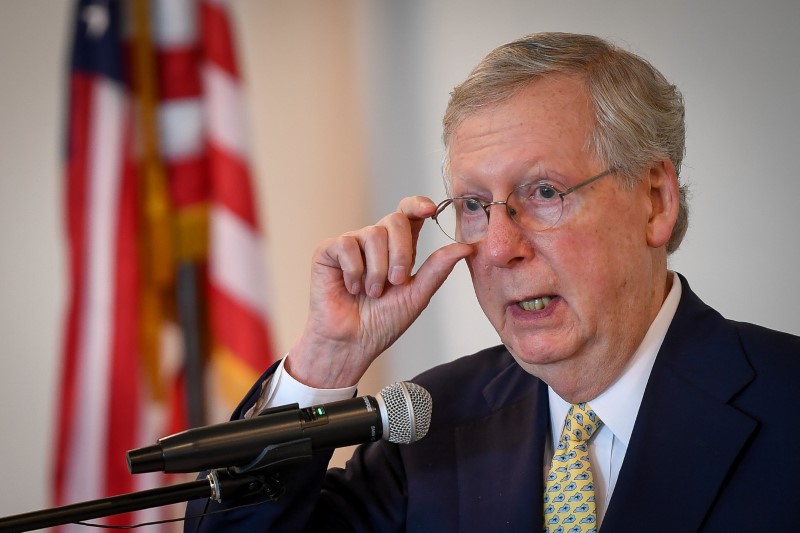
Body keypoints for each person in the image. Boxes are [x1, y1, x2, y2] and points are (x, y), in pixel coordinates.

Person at [185, 32, 799, 532]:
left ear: (655, 200)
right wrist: (327, 360)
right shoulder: (430, 426)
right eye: (474, 205)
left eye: (545, 193)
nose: (501, 248)